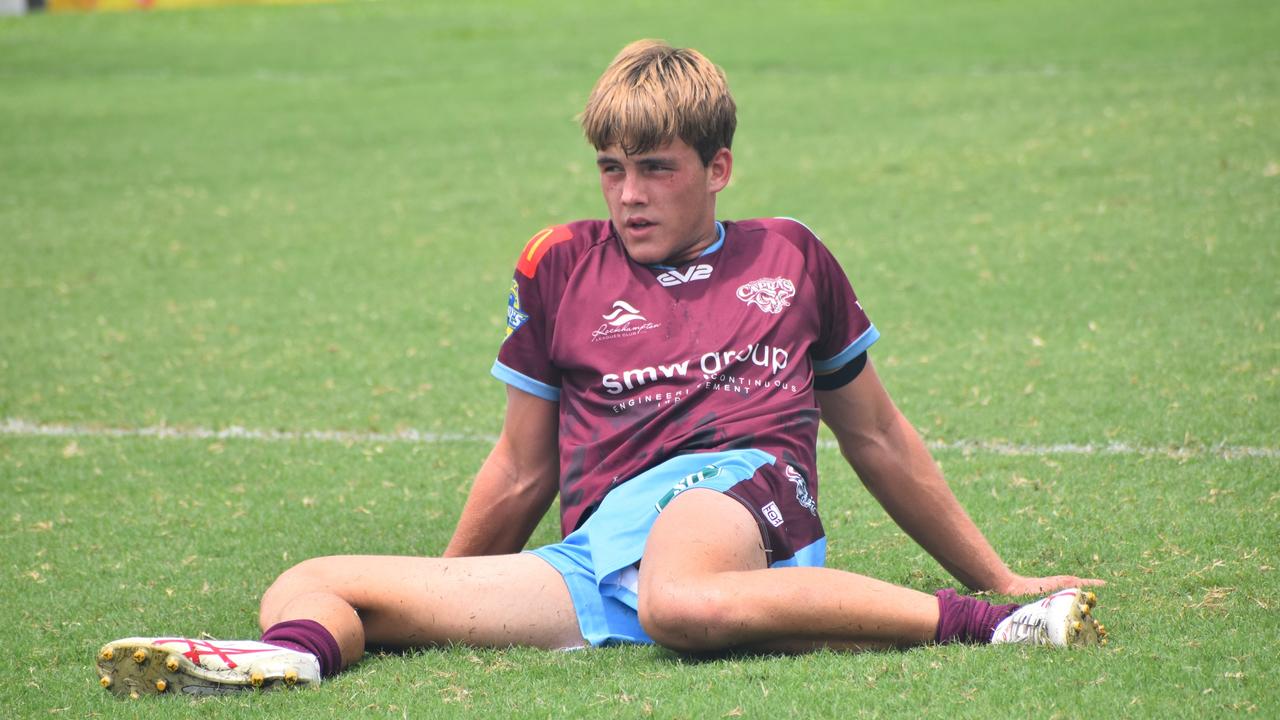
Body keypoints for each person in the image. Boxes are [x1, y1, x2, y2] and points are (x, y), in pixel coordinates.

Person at [96, 39, 1106, 698]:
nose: (629, 195)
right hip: (600, 553)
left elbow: (875, 436)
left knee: (680, 597)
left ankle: (998, 630)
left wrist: (998, 577)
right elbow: (521, 467)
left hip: (739, 496)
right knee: (314, 579)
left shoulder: (790, 255)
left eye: (656, 168)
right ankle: (290, 664)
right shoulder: (556, 264)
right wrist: (450, 589)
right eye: (611, 169)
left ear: (717, 169)